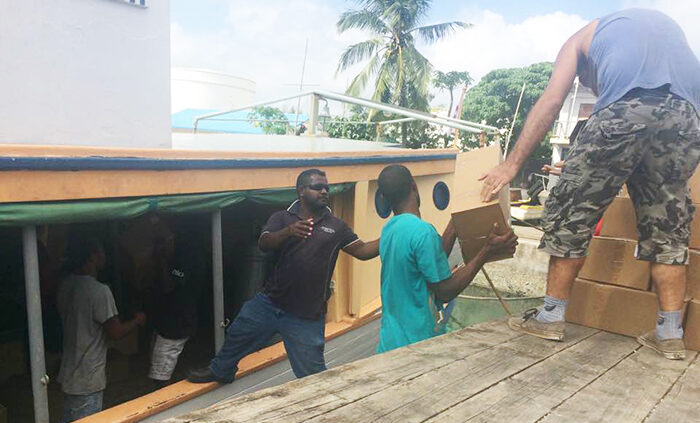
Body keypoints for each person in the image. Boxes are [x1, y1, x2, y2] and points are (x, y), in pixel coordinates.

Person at [478, 9, 700, 359]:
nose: (594, 90)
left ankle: (550, 316)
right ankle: (670, 333)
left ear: (584, 67)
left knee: (572, 206)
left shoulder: (579, 40)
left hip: (627, 110)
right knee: (668, 225)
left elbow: (551, 102)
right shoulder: (664, 33)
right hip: (687, 118)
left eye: (590, 85)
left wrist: (510, 165)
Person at [188, 169, 379, 383]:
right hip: (270, 303)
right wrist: (288, 232)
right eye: (318, 187)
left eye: (327, 187)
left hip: (306, 315)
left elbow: (362, 251)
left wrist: (391, 233)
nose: (325, 191)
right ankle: (221, 371)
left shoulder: (336, 226)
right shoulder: (281, 217)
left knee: (312, 375)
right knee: (238, 334)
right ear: (301, 191)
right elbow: (264, 242)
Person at [376, 165, 518, 353]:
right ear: (414, 187)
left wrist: (457, 221)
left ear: (384, 198)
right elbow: (445, 291)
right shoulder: (423, 232)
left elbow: (431, 260)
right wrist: (486, 252)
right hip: (414, 346)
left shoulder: (389, 230)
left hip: (388, 343)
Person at [57, 235, 146, 422]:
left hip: (68, 374)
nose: (105, 256)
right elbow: (115, 332)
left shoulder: (66, 285)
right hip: (88, 378)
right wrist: (137, 320)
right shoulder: (99, 291)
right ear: (92, 256)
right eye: (102, 251)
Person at [148, 231, 198, 387]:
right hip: (165, 322)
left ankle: (163, 402)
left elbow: (169, 286)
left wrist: (161, 259)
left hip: (176, 326)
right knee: (157, 365)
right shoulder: (170, 260)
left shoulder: (184, 261)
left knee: (161, 374)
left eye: (164, 242)